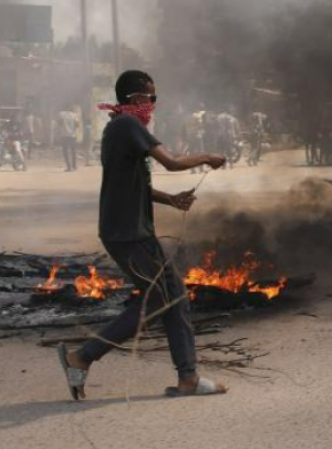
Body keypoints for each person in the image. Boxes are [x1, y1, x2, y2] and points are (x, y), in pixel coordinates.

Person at [57, 70, 227, 400]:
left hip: (130, 229)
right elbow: (172, 162)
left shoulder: (119, 128)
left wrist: (171, 200)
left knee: (174, 294)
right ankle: (82, 356)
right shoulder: (127, 125)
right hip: (128, 232)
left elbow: (135, 184)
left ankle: (188, 377)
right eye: (151, 98)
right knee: (159, 300)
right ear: (136, 98)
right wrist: (207, 156)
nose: (153, 104)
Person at [56, 106, 81, 172]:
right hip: (73, 135)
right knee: (73, 150)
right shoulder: (74, 115)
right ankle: (74, 166)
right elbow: (78, 125)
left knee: (65, 151)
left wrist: (64, 126)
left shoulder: (61, 114)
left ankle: (69, 167)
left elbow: (59, 123)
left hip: (64, 135)